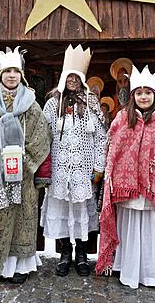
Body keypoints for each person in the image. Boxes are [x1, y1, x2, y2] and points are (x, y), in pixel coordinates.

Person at [96, 64, 155, 288]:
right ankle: (127, 270)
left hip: (154, 191)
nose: (143, 97)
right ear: (133, 96)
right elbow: (113, 149)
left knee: (150, 228)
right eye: (139, 93)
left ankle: (152, 272)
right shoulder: (121, 119)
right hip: (126, 190)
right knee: (129, 227)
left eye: (148, 93)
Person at [0, 46, 51, 284]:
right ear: (0, 75)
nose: (11, 75)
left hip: (23, 173)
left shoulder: (32, 103)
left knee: (22, 218)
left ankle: (20, 268)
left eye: (15, 71)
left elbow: (42, 137)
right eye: (7, 71)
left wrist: (36, 170)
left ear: (21, 74)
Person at [40, 44, 106, 277]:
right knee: (63, 213)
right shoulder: (52, 104)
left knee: (81, 214)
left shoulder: (91, 103)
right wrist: (44, 168)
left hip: (84, 172)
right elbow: (42, 136)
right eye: (69, 76)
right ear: (63, 77)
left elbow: (101, 137)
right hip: (59, 171)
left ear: (82, 79)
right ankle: (65, 253)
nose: (72, 81)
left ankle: (81, 255)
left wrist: (99, 166)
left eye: (76, 77)